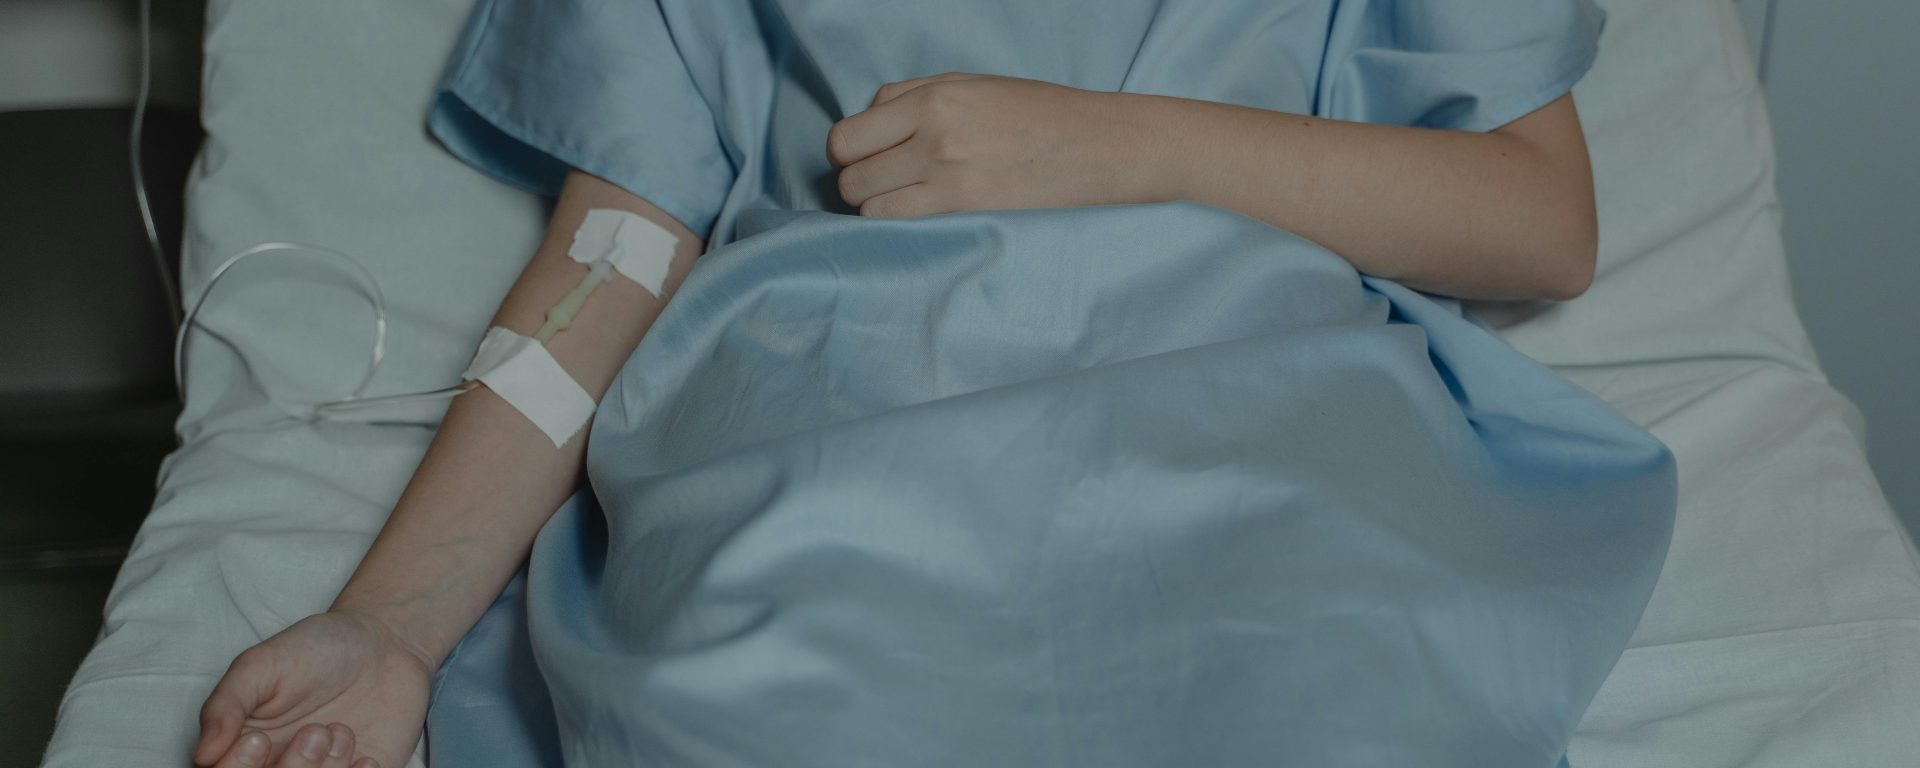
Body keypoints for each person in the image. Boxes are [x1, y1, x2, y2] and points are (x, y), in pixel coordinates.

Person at [191, 1, 1662, 766]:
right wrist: (390, 624)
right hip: (829, 416)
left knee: (1327, 696)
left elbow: (1540, 218)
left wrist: (1121, 146)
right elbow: (611, 259)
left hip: (1258, 405)